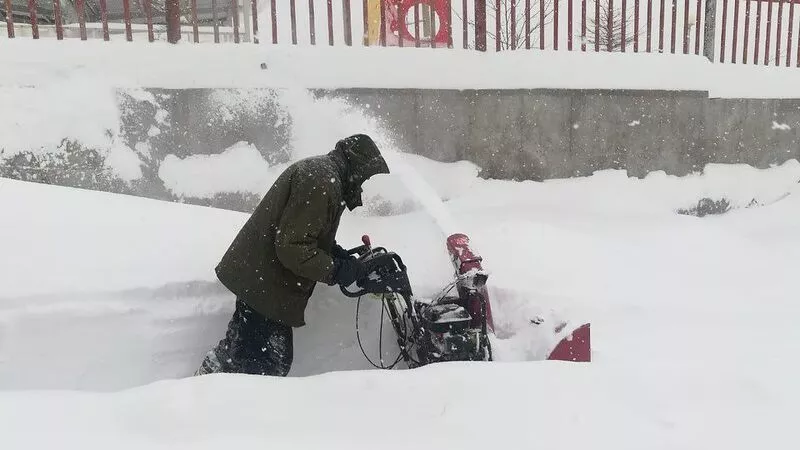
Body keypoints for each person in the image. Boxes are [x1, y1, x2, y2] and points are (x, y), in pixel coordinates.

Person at [195, 134, 390, 377]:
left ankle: (208, 385)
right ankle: (210, 397)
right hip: (265, 285)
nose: (363, 184)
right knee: (267, 364)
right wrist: (336, 270)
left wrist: (339, 255)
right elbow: (293, 248)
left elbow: (307, 234)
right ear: (356, 166)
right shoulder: (321, 182)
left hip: (261, 281)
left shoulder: (324, 174)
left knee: (243, 354)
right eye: (365, 176)